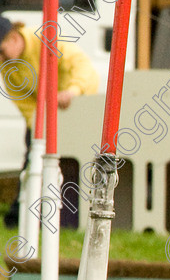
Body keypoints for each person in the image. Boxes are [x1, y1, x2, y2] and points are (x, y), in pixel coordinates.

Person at [0, 15, 99, 229]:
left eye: (1, 50)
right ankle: (21, 215)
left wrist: (71, 92)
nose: (1, 58)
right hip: (45, 115)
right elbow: (24, 103)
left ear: (15, 38)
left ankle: (74, 216)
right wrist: (37, 126)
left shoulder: (45, 39)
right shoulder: (7, 67)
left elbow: (80, 64)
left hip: (79, 105)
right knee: (33, 158)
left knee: (78, 162)